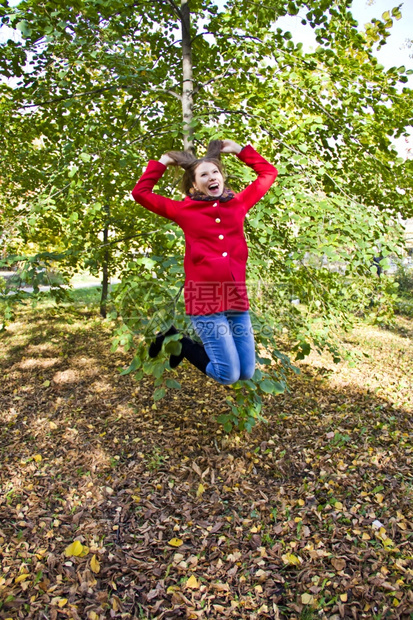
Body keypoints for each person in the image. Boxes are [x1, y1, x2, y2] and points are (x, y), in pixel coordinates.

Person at [131, 139, 278, 385]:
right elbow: (140, 193)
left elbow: (268, 173)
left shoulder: (238, 204)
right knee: (227, 375)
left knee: (246, 373)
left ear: (221, 176)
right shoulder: (183, 211)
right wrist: (163, 162)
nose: (212, 177)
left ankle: (177, 337)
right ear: (194, 185)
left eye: (215, 172)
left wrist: (241, 151)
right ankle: (177, 339)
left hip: (236, 300)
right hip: (205, 302)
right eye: (204, 174)